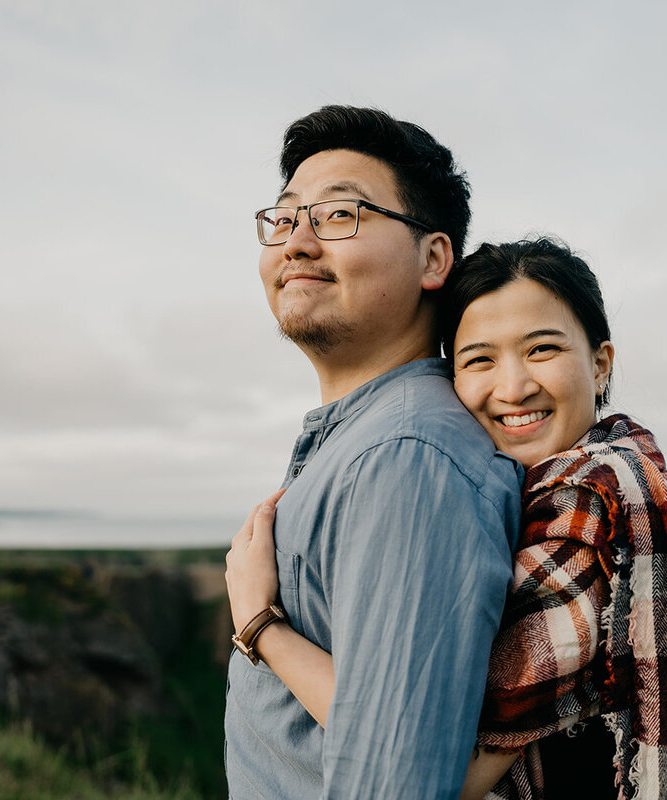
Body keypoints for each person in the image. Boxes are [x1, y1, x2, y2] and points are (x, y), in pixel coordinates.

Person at [228, 237, 667, 799]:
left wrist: (262, 625)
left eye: (542, 350)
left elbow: (433, 760)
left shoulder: (598, 502)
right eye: (479, 359)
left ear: (600, 365)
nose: (513, 387)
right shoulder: (525, 493)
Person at [222, 105, 523, 799]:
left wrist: (258, 622)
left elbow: (395, 784)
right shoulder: (367, 438)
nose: (296, 241)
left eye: (337, 215)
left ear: (433, 258)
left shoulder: (407, 456)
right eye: (284, 217)